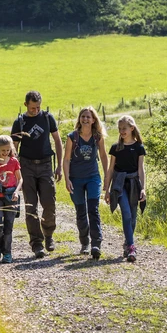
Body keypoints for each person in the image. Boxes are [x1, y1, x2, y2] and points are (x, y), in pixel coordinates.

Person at [11, 91, 63, 258]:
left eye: (38, 107)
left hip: (46, 165)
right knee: (30, 206)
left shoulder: (48, 118)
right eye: (32, 108)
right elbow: (13, 149)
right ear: (25, 104)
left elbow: (57, 140)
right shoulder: (19, 122)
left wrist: (59, 166)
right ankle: (37, 243)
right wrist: (15, 174)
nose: (35, 111)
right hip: (26, 166)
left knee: (49, 203)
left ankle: (48, 234)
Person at [63, 107, 109, 260]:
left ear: (93, 120)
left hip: (93, 178)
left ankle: (96, 244)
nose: (85, 119)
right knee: (81, 212)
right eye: (83, 116)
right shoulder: (72, 137)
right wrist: (67, 179)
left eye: (88, 117)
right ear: (79, 119)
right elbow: (66, 159)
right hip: (76, 179)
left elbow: (103, 156)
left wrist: (107, 176)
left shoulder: (97, 137)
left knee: (93, 209)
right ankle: (85, 243)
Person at [103, 115, 147, 263]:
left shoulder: (139, 148)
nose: (122, 131)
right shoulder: (115, 148)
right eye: (120, 129)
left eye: (124, 128)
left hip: (134, 184)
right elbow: (110, 169)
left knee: (133, 217)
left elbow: (141, 169)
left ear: (132, 128)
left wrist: (143, 188)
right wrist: (107, 190)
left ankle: (127, 244)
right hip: (119, 184)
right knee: (126, 214)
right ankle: (132, 247)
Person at [0, 135, 23, 264]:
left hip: (11, 197)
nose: (5, 152)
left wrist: (16, 191)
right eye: (3, 150)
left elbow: (20, 179)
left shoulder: (14, 162)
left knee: (8, 225)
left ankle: (7, 252)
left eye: (8, 150)